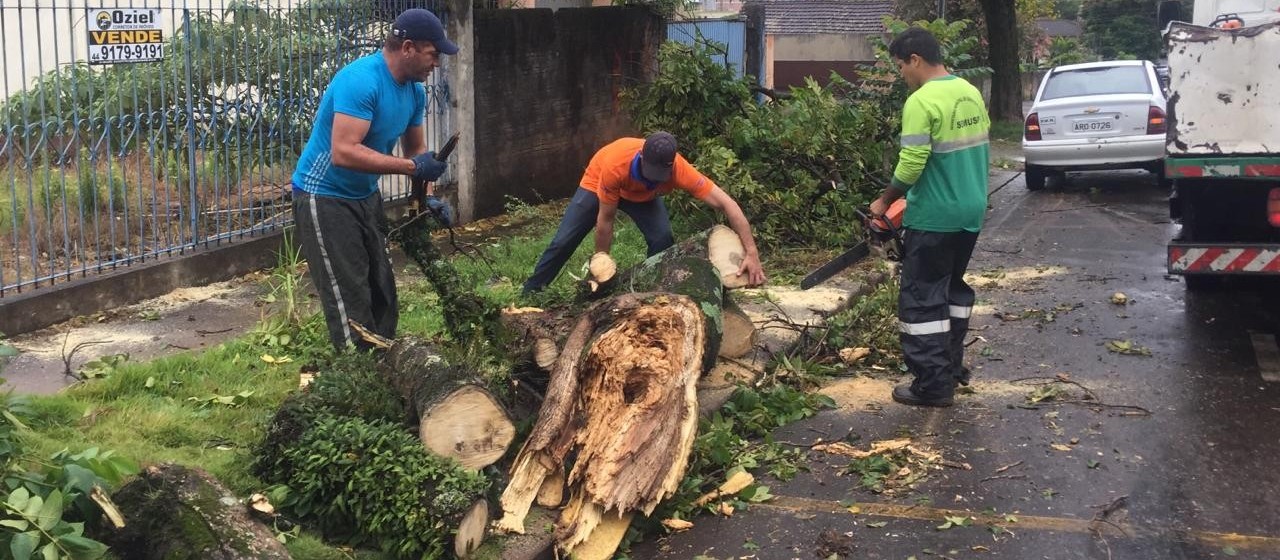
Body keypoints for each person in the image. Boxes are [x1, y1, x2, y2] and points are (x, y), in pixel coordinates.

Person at [291, 8, 457, 352]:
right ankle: (358, 380)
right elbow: (344, 151)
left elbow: (418, 151)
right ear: (408, 47)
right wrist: (413, 169)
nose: (437, 63)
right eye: (433, 54)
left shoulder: (414, 92)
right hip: (324, 196)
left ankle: (387, 366)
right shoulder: (361, 80)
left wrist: (426, 198)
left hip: (365, 195)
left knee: (382, 289)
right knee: (348, 295)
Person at [869, 27, 990, 407]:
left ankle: (933, 385)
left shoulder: (922, 101)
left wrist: (884, 201)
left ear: (915, 60)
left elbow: (912, 163)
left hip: (936, 215)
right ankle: (951, 369)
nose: (901, 74)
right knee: (951, 291)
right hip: (970, 211)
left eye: (901, 66)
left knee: (922, 302)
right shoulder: (969, 92)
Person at [522, 132, 766, 293]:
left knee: (662, 239)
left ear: (670, 166)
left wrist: (752, 252)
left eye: (660, 176)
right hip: (600, 184)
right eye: (650, 173)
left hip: (643, 199)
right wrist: (601, 268)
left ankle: (652, 292)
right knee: (564, 241)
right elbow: (605, 222)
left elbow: (727, 204)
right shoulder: (615, 167)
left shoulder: (680, 169)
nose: (654, 179)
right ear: (641, 157)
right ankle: (531, 290)